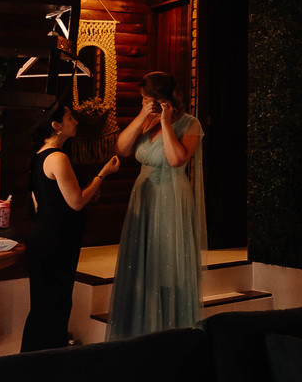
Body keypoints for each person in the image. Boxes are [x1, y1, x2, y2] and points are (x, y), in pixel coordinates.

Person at [107, 71, 205, 341]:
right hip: (144, 196)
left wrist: (165, 122)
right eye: (143, 99)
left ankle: (171, 330)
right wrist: (142, 116)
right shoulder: (144, 120)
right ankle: (140, 329)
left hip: (171, 197)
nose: (143, 102)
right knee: (140, 262)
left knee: (167, 262)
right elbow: (122, 149)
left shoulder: (190, 124)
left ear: (160, 98)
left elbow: (176, 160)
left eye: (146, 98)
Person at [20, 101, 119, 351]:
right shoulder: (57, 157)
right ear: (56, 125)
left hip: (45, 236)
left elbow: (37, 202)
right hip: (56, 240)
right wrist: (103, 174)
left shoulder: (39, 155)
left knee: (44, 306)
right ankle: (48, 361)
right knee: (55, 305)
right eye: (70, 118)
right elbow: (76, 202)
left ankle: (32, 360)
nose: (75, 121)